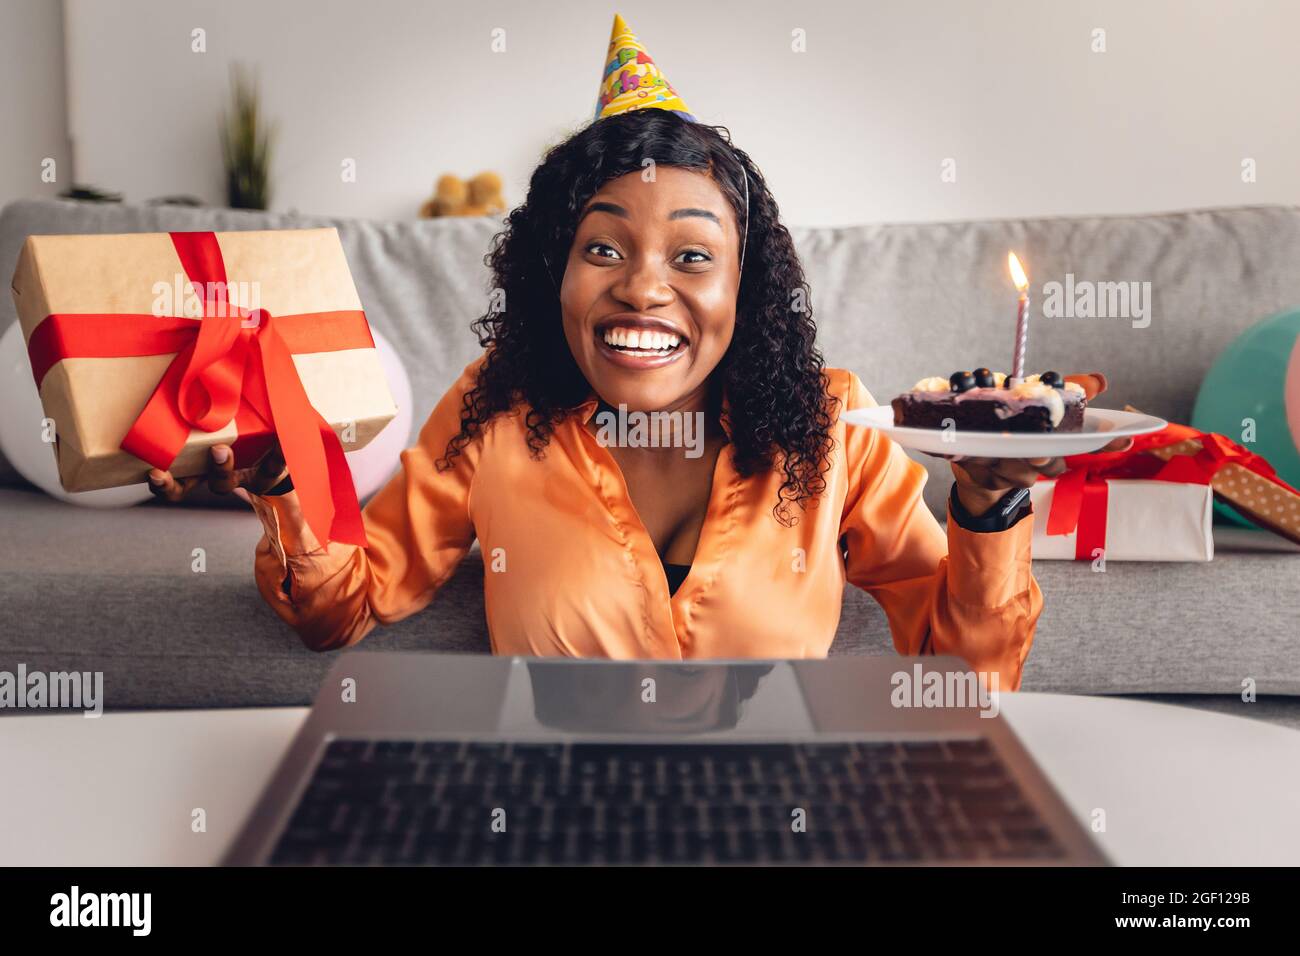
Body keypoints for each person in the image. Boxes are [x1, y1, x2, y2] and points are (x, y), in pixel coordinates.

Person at [148, 17, 1096, 691]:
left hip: (775, 813)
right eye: (603, 247)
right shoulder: (496, 409)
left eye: (691, 256)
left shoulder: (832, 423)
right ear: (549, 274)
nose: (643, 288)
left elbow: (967, 681)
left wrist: (990, 501)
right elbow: (340, 609)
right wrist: (285, 481)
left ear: (744, 287)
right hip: (559, 808)